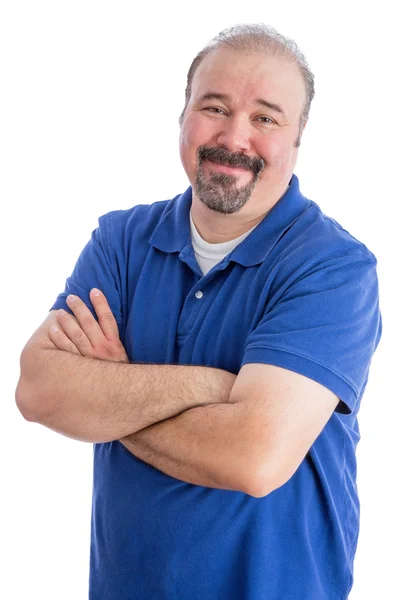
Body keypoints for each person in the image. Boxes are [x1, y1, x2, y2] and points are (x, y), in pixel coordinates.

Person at [16, 23, 381, 600]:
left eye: (265, 117)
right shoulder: (121, 240)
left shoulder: (333, 268)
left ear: (298, 136)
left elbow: (254, 457)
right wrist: (213, 388)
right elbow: (38, 393)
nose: (234, 136)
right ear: (183, 115)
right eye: (215, 106)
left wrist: (113, 393)